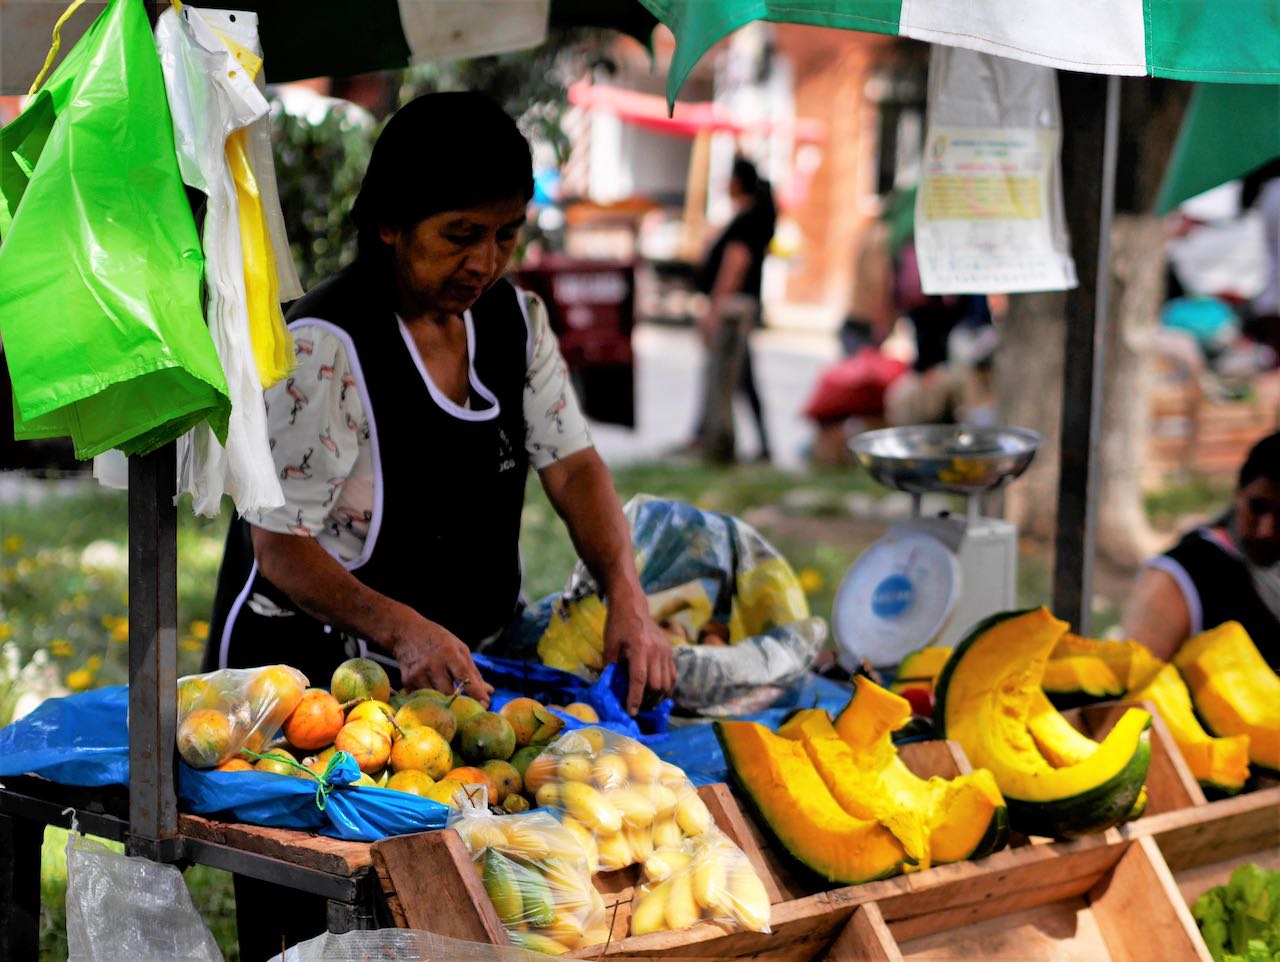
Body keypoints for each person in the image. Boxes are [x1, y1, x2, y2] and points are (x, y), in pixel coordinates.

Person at [204, 92, 676, 958]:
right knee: (316, 936)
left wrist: (628, 595)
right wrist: (402, 627)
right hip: (309, 683)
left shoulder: (513, 322)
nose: (484, 262)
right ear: (390, 224)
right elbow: (280, 549)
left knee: (456, 918)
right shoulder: (324, 347)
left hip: (447, 681)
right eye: (460, 235)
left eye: (506, 234)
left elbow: (574, 465)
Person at [1122, 430, 1280, 669]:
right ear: (1238, 495)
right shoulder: (1179, 576)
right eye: (1257, 507)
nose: (1266, 530)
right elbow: (1132, 680)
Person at [687, 156, 776, 463]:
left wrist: (714, 309)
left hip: (732, 309)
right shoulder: (750, 217)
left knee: (722, 376)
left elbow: (735, 265)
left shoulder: (746, 221)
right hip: (740, 306)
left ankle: (718, 443)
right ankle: (712, 436)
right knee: (742, 377)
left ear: (738, 182)